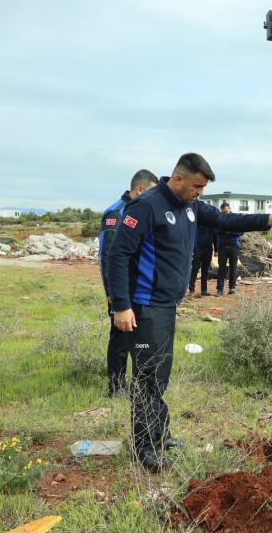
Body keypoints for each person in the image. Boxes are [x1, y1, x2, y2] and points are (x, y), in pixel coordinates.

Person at [107, 153, 272, 473]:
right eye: (196, 186)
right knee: (147, 377)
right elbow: (117, 255)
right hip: (143, 306)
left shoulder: (190, 206)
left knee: (159, 375)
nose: (200, 193)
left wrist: (268, 220)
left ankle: (160, 435)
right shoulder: (146, 207)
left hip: (166, 306)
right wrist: (121, 305)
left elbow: (225, 221)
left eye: (203, 188)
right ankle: (144, 450)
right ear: (178, 179)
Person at [98, 169, 158, 397]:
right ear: (141, 189)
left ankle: (140, 386)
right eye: (152, 191)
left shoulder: (143, 210)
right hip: (121, 290)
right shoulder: (117, 212)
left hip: (140, 287)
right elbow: (108, 257)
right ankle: (116, 387)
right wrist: (112, 294)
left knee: (142, 339)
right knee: (121, 338)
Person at [215, 202, 243, 296]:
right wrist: (223, 230)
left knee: (233, 268)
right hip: (222, 247)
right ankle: (219, 289)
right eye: (223, 212)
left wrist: (229, 231)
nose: (225, 213)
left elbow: (241, 232)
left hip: (234, 246)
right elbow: (215, 231)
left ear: (230, 209)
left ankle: (232, 288)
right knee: (221, 269)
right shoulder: (219, 219)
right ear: (221, 211)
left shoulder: (235, 218)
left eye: (226, 211)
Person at [188, 224, 215, 297]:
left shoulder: (212, 224)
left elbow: (215, 237)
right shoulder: (198, 222)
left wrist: (216, 249)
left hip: (208, 249)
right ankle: (191, 289)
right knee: (195, 269)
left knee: (205, 270)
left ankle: (204, 290)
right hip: (198, 249)